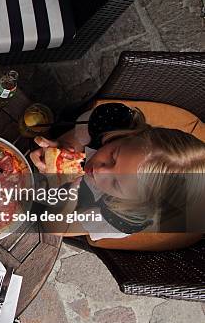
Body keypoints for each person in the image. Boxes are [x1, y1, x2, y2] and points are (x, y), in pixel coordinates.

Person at [29, 102, 205, 250]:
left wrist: (68, 196)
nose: (99, 171)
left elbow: (56, 227)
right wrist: (58, 153)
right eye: (113, 156)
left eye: (116, 184)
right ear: (132, 135)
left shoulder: (125, 219)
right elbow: (70, 141)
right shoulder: (110, 121)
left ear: (135, 204)